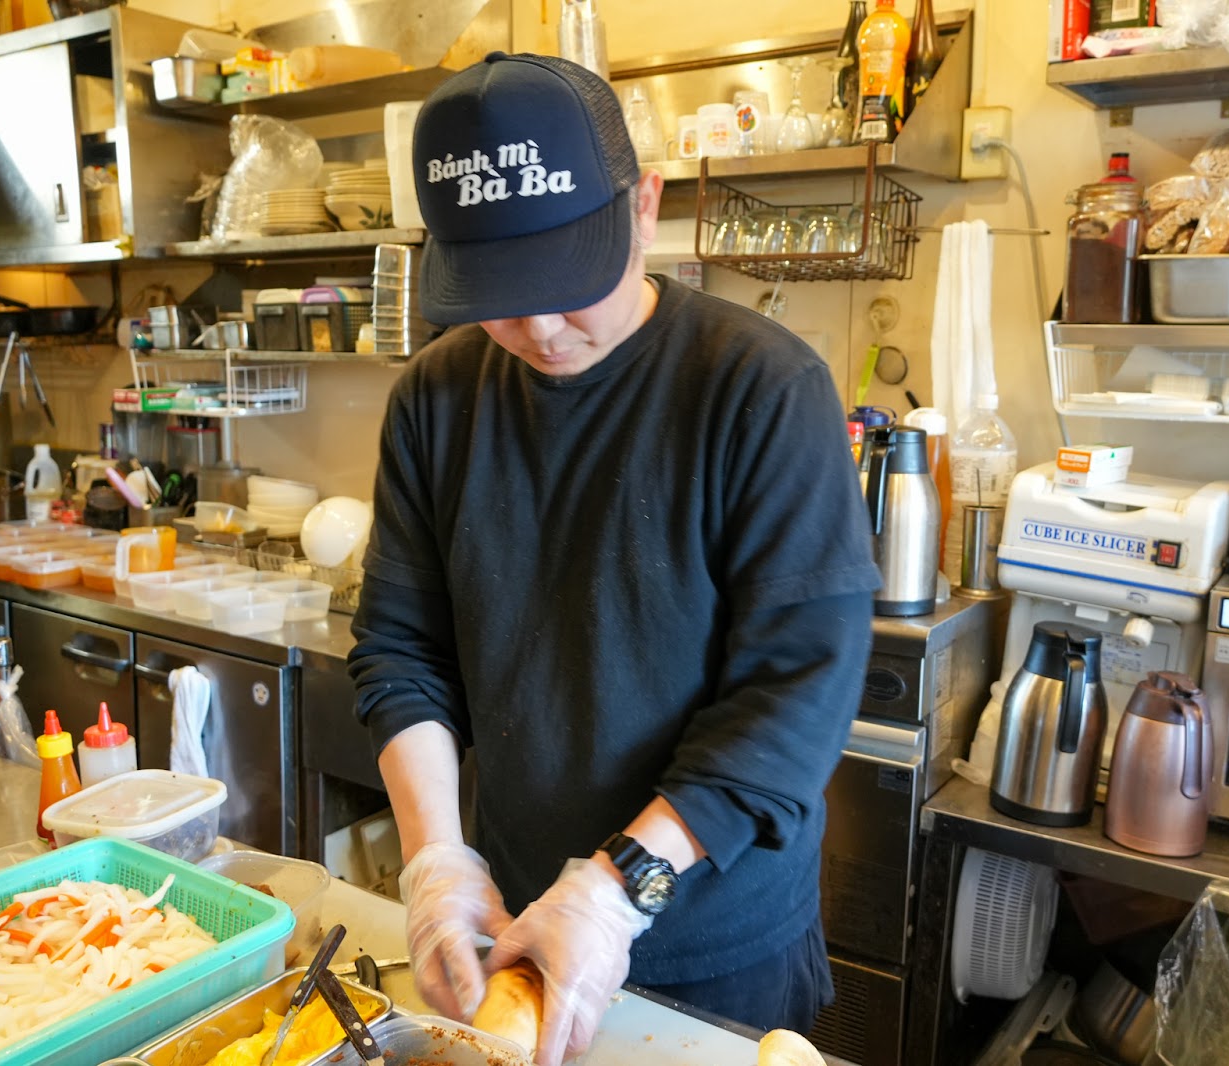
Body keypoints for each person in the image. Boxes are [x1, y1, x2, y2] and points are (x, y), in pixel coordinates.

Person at [347, 51, 878, 1066]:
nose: (540, 329)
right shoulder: (435, 398)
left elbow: (794, 696)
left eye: (563, 282)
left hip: (713, 942)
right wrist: (437, 863)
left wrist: (617, 886)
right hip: (512, 920)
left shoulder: (761, 388)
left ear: (644, 205)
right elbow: (401, 651)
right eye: (500, 295)